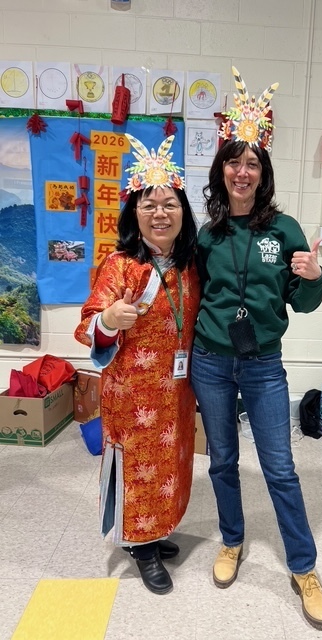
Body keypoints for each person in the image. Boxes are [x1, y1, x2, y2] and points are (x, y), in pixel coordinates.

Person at [191, 67, 322, 630]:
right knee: (222, 459)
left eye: (252, 163)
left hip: (264, 364)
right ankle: (231, 540)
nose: (242, 171)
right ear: (221, 170)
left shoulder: (286, 231)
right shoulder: (208, 234)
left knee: (279, 467)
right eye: (233, 161)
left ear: (262, 172)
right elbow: (194, 292)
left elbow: (306, 303)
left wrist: (315, 275)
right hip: (209, 361)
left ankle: (304, 567)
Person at [74, 133, 200, 595]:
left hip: (177, 393)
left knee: (172, 465)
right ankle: (140, 547)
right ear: (135, 214)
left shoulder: (189, 264)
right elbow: (89, 326)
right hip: (132, 395)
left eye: (169, 204)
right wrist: (109, 319)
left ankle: (157, 530)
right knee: (139, 469)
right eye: (149, 205)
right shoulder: (120, 264)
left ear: (183, 212)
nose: (160, 213)